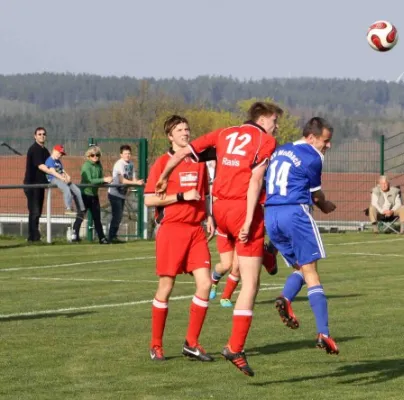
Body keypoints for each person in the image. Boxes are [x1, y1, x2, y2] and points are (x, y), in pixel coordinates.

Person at [155, 101, 281, 377]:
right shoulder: (265, 140)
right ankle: (235, 347)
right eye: (275, 121)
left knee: (233, 262)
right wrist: (248, 220)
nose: (276, 127)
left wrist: (164, 177)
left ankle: (268, 255)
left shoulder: (223, 133)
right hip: (239, 208)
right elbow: (255, 181)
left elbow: (183, 155)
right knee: (250, 283)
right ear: (263, 119)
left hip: (219, 209)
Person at [264, 117, 340, 356]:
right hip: (294, 212)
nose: (327, 146)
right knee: (312, 272)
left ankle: (285, 298)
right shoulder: (313, 156)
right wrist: (326, 204)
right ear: (310, 137)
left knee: (300, 266)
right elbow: (315, 194)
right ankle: (324, 333)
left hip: (271, 215)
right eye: (325, 141)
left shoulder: (281, 149)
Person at [144, 115, 215, 362]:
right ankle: (156, 345)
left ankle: (191, 343)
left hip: (196, 230)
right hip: (172, 229)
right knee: (166, 286)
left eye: (187, 128)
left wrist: (208, 216)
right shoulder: (162, 163)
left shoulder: (199, 162)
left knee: (205, 283)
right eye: (179, 129)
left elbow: (204, 194)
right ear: (170, 136)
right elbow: (149, 199)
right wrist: (181, 197)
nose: (185, 132)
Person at [108, 145, 144, 243]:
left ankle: (113, 236)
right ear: (121, 155)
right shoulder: (119, 164)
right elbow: (122, 180)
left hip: (123, 194)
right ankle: (111, 237)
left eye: (129, 153)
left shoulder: (131, 164)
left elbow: (133, 178)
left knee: (119, 216)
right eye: (125, 153)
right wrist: (135, 183)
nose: (127, 155)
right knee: (117, 215)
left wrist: (139, 182)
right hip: (114, 193)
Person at [23, 127, 51, 242]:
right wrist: (54, 173)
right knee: (34, 211)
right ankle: (34, 237)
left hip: (40, 185)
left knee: (38, 212)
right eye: (39, 134)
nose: (42, 136)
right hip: (32, 185)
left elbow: (52, 163)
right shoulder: (34, 149)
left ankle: (33, 236)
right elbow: (41, 166)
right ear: (35, 136)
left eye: (44, 134)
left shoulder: (45, 150)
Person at [80, 146, 112, 244]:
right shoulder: (86, 166)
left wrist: (107, 182)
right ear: (88, 156)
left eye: (97, 155)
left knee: (97, 218)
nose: (95, 157)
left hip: (94, 195)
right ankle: (75, 236)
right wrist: (104, 180)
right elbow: (90, 180)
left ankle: (102, 238)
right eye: (93, 155)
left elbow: (100, 179)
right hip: (85, 195)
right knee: (80, 216)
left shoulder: (99, 165)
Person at [45, 144, 85, 216]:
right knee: (66, 189)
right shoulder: (50, 160)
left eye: (62, 154)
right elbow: (53, 172)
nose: (60, 155)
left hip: (61, 178)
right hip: (53, 179)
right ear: (54, 151)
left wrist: (67, 176)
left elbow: (62, 170)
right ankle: (68, 208)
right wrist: (62, 178)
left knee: (77, 190)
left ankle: (82, 209)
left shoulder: (58, 161)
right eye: (59, 153)